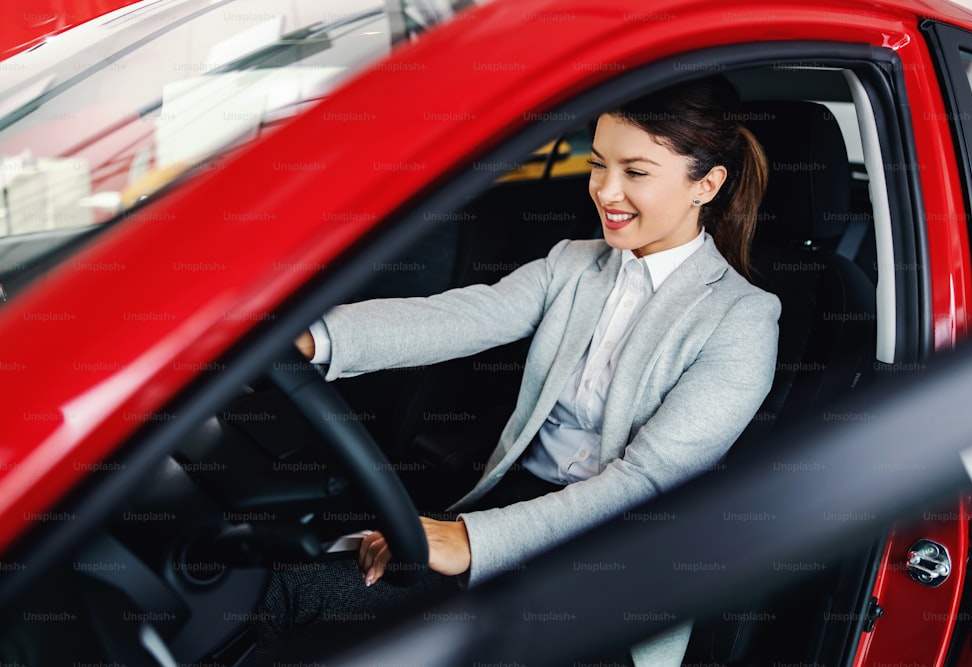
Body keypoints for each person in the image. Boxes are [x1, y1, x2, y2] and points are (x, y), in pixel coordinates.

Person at [252, 75, 780, 666]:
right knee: (283, 595)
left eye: (635, 172)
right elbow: (461, 316)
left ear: (705, 185)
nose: (605, 191)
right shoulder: (574, 263)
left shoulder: (743, 319)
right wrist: (311, 337)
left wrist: (468, 540)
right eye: (597, 163)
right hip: (512, 504)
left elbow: (647, 487)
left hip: (616, 559)